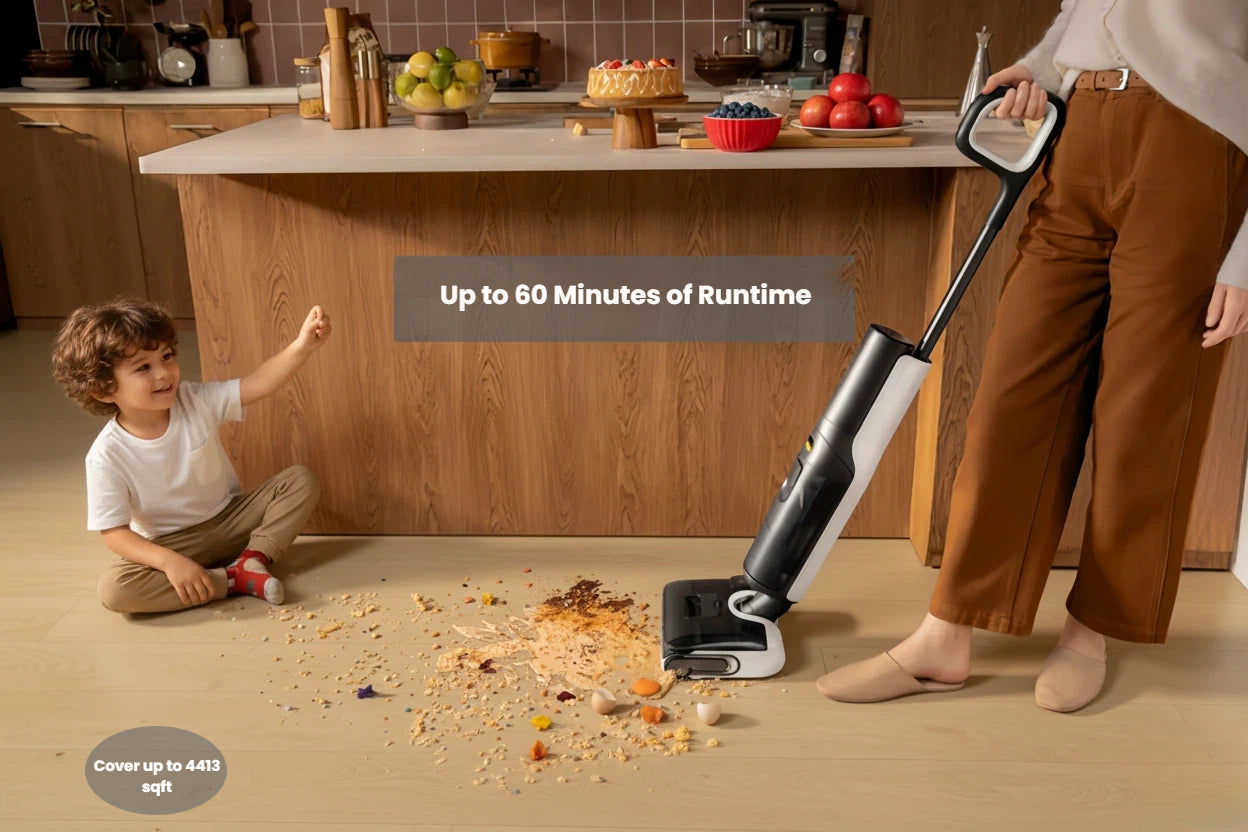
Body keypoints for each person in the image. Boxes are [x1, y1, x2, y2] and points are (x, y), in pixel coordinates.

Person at [816, 0, 1248, 712]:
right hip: (1080, 136)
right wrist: (1044, 68)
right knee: (1014, 398)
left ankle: (1091, 631)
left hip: (1196, 145)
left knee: (1145, 411)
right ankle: (946, 634)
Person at [51, 297, 331, 614]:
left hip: (232, 520)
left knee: (299, 481)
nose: (164, 373)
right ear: (104, 389)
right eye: (144, 367)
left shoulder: (193, 400)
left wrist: (302, 346)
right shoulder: (106, 455)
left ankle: (254, 557)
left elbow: (256, 384)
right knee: (115, 590)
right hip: (173, 543)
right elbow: (114, 533)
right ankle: (229, 580)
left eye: (167, 357)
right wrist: (169, 562)